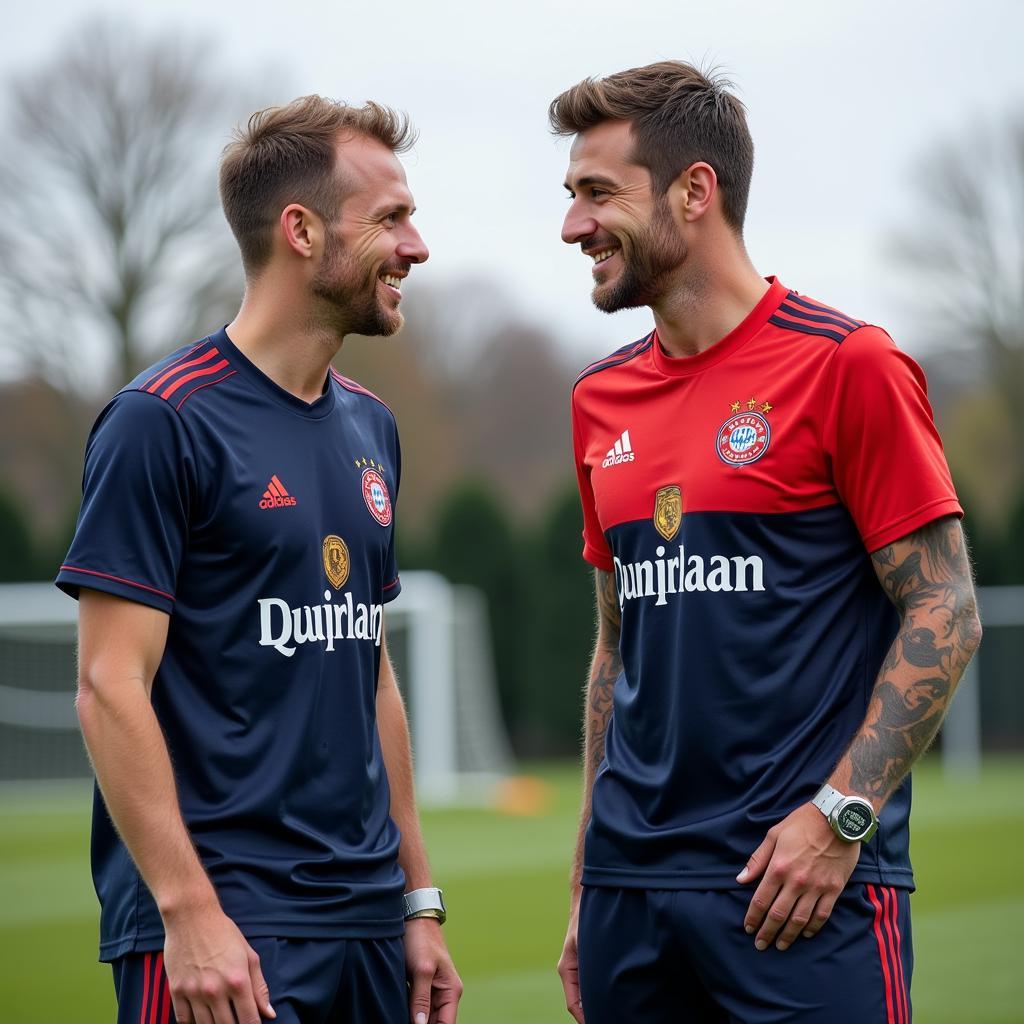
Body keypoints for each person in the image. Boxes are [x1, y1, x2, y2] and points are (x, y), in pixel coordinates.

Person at [550, 62, 982, 1023]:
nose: (573, 225)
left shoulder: (848, 366)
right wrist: (590, 873)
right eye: (570, 196)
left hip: (798, 889)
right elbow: (617, 648)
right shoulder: (596, 399)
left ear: (694, 191)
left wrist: (841, 818)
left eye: (597, 193)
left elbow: (945, 608)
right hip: (631, 893)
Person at [57, 95, 461, 1024]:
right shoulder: (161, 423)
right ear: (301, 231)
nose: (417, 246)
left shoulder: (371, 426)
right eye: (392, 218)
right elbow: (108, 683)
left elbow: (375, 676)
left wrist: (416, 898)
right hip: (226, 932)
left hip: (366, 925)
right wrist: (189, 913)